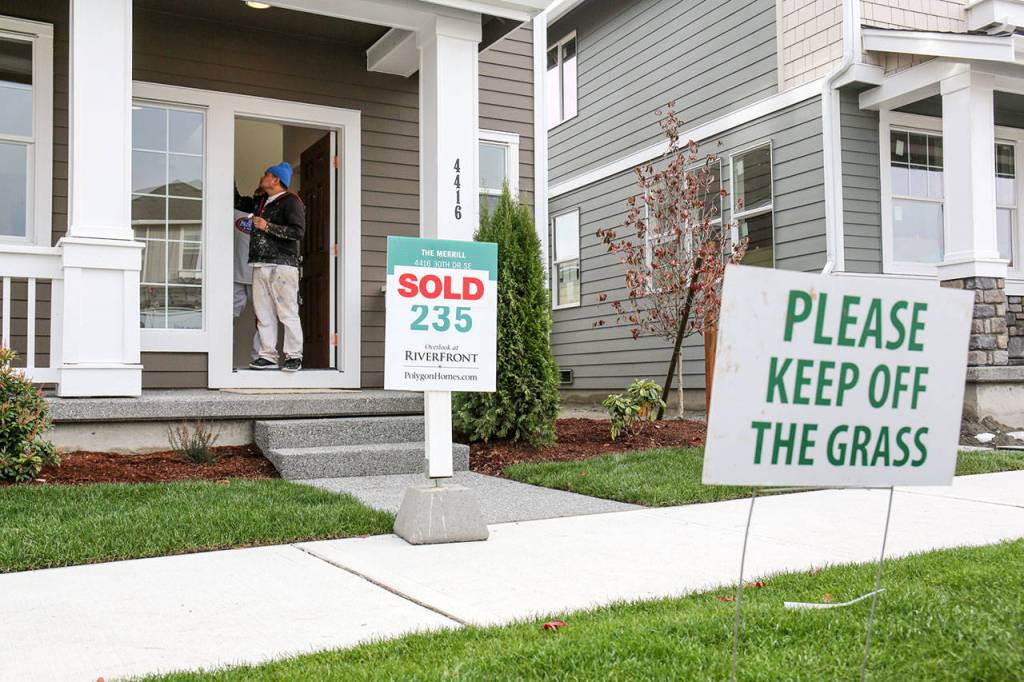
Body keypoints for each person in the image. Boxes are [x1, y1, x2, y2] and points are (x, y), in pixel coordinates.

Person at [234, 162, 305, 372]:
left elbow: (298, 232)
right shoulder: (261, 201)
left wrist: (267, 226)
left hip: (283, 264)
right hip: (260, 263)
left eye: (266, 174)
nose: (262, 177)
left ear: (276, 179)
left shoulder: (291, 201)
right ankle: (268, 356)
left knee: (287, 311)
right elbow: (236, 201)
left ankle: (294, 356)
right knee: (264, 313)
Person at [232, 206, 260, 364]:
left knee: (264, 319)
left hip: (259, 275)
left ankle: (261, 357)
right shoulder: (233, 214)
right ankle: (223, 355)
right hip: (235, 275)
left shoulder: (269, 214)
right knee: (226, 318)